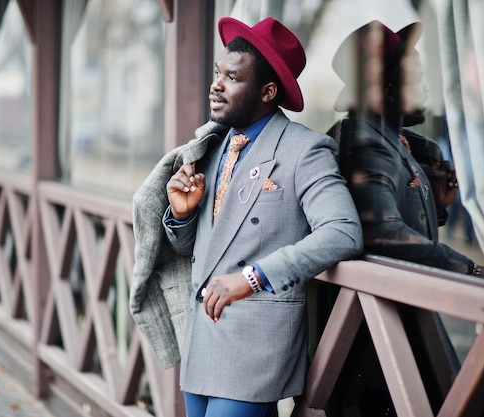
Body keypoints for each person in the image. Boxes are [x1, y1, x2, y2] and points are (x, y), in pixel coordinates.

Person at [130, 16, 363, 417]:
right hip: (203, 339)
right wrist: (183, 217)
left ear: (268, 91)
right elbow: (205, 250)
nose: (216, 85)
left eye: (232, 78)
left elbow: (343, 232)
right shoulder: (213, 147)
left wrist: (254, 277)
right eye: (217, 73)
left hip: (257, 345)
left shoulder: (305, 150)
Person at [320, 21, 484, 416]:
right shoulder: (365, 143)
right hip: (376, 342)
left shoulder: (388, 140)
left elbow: (397, 221)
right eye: (416, 76)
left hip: (395, 326)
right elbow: (381, 233)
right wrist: (465, 268)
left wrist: (437, 206)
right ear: (386, 91)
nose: (427, 87)